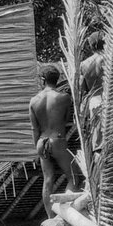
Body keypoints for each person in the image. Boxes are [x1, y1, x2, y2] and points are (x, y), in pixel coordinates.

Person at [29, 64, 78, 218]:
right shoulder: (64, 98)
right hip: (57, 139)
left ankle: (50, 217)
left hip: (41, 142)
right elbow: (65, 119)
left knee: (48, 179)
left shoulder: (33, 101)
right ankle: (65, 211)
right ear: (56, 80)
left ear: (42, 79)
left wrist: (37, 151)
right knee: (74, 177)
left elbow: (35, 129)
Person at [80, 30, 104, 152]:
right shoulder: (109, 60)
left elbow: (83, 89)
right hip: (110, 99)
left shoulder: (83, 64)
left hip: (94, 102)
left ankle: (99, 170)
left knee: (98, 145)